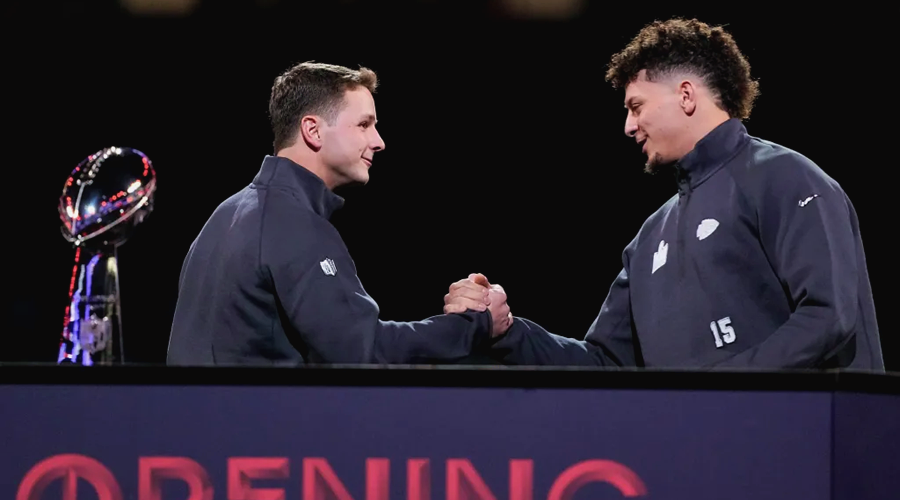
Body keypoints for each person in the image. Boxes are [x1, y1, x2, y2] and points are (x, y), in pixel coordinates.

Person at [444, 18, 884, 371]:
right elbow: (605, 363)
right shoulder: (649, 238)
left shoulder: (787, 179)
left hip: (808, 445)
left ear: (686, 95)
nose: (628, 126)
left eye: (636, 106)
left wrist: (714, 396)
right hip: (696, 449)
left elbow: (828, 317)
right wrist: (508, 330)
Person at [166, 61, 511, 366]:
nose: (378, 141)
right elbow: (363, 352)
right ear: (313, 130)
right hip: (256, 420)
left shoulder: (226, 214)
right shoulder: (295, 224)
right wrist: (476, 325)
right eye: (364, 124)